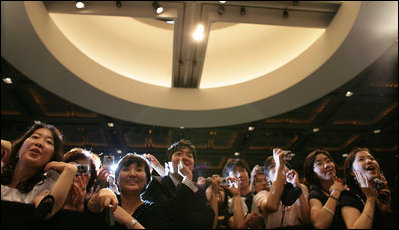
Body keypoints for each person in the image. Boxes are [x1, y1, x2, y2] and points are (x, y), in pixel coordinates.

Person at [142, 139, 215, 228]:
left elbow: (208, 219)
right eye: (179, 154)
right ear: (168, 164)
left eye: (189, 155)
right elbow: (171, 217)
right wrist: (187, 178)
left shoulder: (197, 189)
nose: (185, 157)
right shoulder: (155, 183)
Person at [88, 153, 168, 229]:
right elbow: (90, 208)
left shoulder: (155, 211)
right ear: (117, 179)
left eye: (139, 170)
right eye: (126, 170)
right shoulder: (109, 202)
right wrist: (104, 191)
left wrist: (129, 221)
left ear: (147, 180)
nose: (132, 174)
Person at [1, 122, 64, 204]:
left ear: (52, 157)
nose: (39, 143)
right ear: (20, 146)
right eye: (35, 137)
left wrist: (70, 170)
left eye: (49, 142)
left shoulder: (47, 188)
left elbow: (47, 213)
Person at [254, 148, 310, 229]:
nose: (278, 168)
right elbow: (271, 206)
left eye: (282, 164)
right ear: (267, 178)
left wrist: (296, 185)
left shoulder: (300, 188)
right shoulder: (262, 195)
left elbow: (307, 220)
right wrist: (279, 167)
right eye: (273, 166)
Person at [340, 147, 395, 229]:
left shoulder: (383, 192)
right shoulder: (348, 196)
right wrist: (370, 198)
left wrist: (385, 207)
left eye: (371, 158)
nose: (369, 161)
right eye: (361, 159)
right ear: (351, 172)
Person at [303, 149, 346, 229]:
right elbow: (319, 224)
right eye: (319, 164)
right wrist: (335, 192)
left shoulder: (345, 188)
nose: (327, 165)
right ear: (313, 173)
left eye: (328, 161)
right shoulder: (315, 195)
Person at [222, 158, 262, 229]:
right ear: (227, 178)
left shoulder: (259, 199)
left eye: (242, 170)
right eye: (234, 172)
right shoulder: (227, 204)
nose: (240, 175)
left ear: (248, 175)